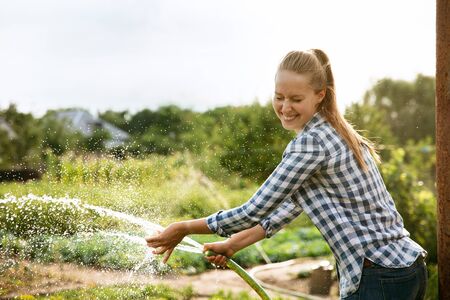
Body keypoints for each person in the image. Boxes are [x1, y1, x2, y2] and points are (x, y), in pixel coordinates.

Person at [146, 49, 428, 299]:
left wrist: (183, 227)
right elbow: (286, 210)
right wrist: (233, 244)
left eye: (295, 99)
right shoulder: (335, 132)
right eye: (279, 97)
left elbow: (252, 211)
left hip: (377, 277)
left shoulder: (311, 143)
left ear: (320, 95)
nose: (285, 107)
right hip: (406, 269)